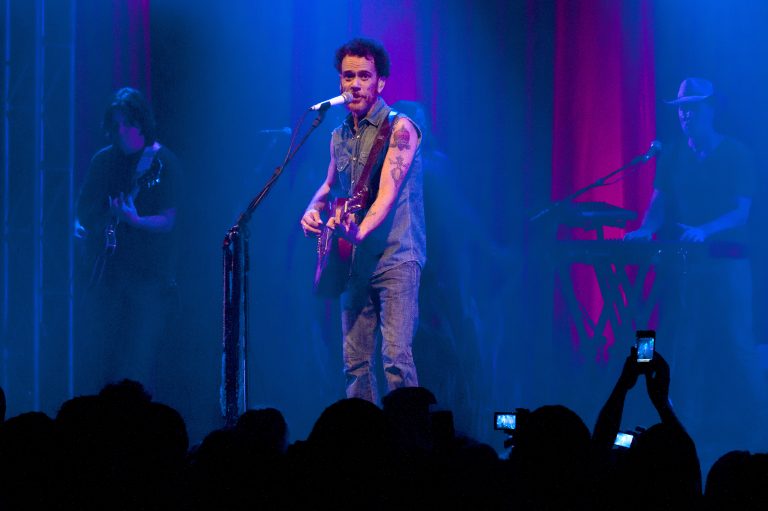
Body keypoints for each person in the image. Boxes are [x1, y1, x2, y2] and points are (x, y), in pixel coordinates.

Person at [624, 77, 766, 468]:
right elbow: (659, 203)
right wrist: (645, 230)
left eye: (694, 108)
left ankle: (758, 425)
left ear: (711, 110)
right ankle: (686, 424)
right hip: (689, 265)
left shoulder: (737, 153)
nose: (685, 114)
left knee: (736, 342)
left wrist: (705, 230)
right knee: (687, 343)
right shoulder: (672, 156)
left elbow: (742, 212)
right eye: (682, 108)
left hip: (730, 262)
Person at [300, 38, 425, 403]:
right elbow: (326, 187)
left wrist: (357, 232)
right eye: (348, 76)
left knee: (396, 359)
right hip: (353, 263)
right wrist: (311, 211)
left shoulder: (402, 129)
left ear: (380, 82)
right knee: (354, 363)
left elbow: (387, 193)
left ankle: (408, 443)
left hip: (396, 257)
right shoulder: (338, 135)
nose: (355, 83)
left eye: (364, 76)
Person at [75, 87, 182, 397]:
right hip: (106, 275)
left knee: (136, 361)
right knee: (100, 359)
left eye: (128, 123)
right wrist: (81, 228)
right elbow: (83, 210)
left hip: (148, 278)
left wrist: (136, 220)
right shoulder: (103, 160)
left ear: (141, 124)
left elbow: (168, 219)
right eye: (116, 124)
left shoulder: (162, 163)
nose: (121, 131)